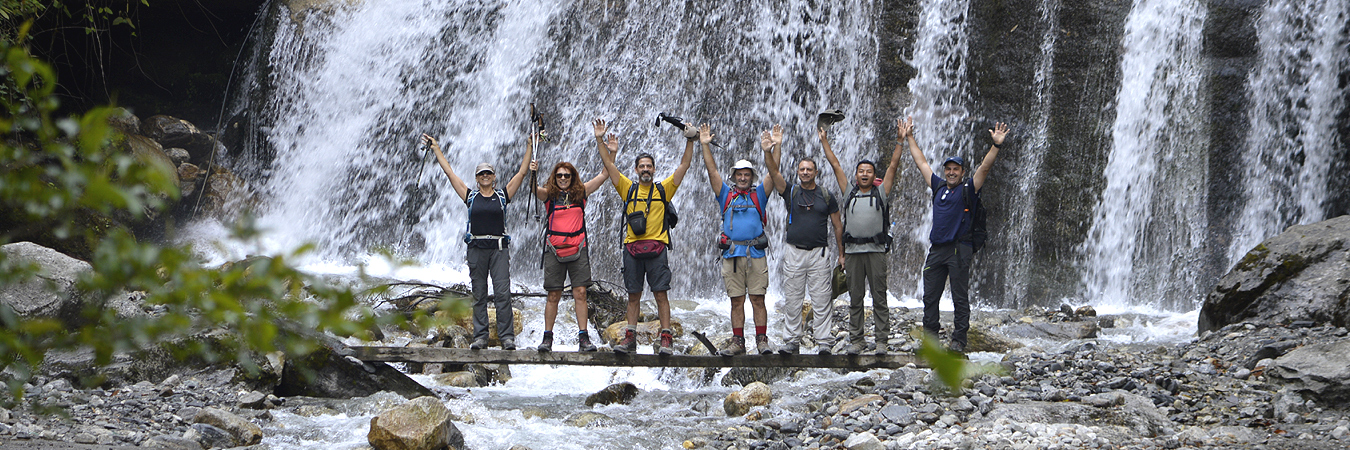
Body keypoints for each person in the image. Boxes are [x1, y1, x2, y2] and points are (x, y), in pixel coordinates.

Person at [902, 117, 1009, 353]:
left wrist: (996, 145)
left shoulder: (969, 189)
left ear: (962, 172)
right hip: (937, 250)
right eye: (948, 169)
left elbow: (985, 168)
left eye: (956, 169)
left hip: (960, 249)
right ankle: (930, 342)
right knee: (930, 297)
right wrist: (909, 137)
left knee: (960, 298)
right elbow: (921, 162)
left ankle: (959, 341)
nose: (951, 173)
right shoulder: (938, 187)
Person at [422, 132, 534, 351]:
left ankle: (507, 337)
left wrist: (530, 145)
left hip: (499, 250)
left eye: (488, 173)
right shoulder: (470, 196)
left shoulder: (503, 195)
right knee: (479, 294)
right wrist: (436, 149)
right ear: (477, 178)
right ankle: (481, 337)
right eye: (481, 174)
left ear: (494, 177)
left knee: (502, 293)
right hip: (476, 250)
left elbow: (522, 173)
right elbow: (449, 173)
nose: (485, 176)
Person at [595, 118, 696, 355]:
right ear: (636, 170)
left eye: (649, 166)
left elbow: (683, 166)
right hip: (632, 249)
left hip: (657, 249)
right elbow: (608, 167)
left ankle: (666, 338)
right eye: (642, 166)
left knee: (661, 294)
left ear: (654, 169)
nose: (646, 170)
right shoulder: (628, 188)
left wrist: (690, 142)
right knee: (633, 295)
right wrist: (600, 140)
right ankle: (630, 339)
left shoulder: (664, 189)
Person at [820, 123, 904, 355]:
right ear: (856, 175)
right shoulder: (850, 193)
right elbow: (835, 165)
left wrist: (899, 141)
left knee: (880, 297)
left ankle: (881, 341)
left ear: (874, 175)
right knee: (855, 298)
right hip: (854, 253)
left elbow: (894, 166)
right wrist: (824, 141)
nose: (865, 174)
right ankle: (857, 340)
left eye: (869, 171)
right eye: (861, 171)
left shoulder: (881, 193)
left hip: (876, 251)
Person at [762, 124, 844, 355]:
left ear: (816, 172)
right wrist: (769, 150)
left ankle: (824, 342)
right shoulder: (791, 192)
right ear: (798, 172)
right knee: (793, 298)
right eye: (802, 169)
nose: (805, 172)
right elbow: (773, 173)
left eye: (809, 169)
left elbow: (838, 226)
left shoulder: (827, 196)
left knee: (821, 299)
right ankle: (791, 341)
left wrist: (842, 254)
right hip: (794, 252)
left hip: (819, 253)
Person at [699, 123, 777, 356]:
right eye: (739, 175)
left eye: (747, 175)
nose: (743, 178)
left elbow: (774, 173)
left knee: (757, 299)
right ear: (733, 177)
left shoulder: (759, 195)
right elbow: (712, 172)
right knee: (736, 301)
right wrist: (705, 146)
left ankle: (762, 340)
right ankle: (738, 342)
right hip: (732, 255)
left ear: (751, 177)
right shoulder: (726, 195)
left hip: (755, 255)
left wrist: (771, 150)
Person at [528, 154, 609, 352]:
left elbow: (605, 173)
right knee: (553, 295)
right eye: (559, 176)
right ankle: (547, 338)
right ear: (554, 178)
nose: (563, 178)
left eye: (567, 175)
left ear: (573, 177)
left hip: (578, 249)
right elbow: (533, 189)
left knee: (580, 293)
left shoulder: (582, 193)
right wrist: (533, 173)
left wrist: (610, 151)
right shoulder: (549, 196)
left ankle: (584, 338)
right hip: (554, 251)